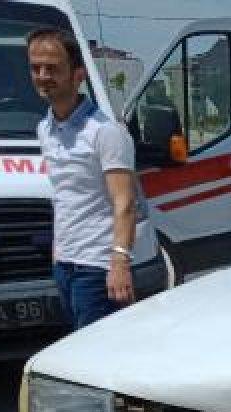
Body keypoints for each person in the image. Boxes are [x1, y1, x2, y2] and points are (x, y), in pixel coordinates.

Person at [28, 28, 137, 330]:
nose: (43, 75)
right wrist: (57, 254)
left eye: (52, 68)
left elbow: (124, 202)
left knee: (98, 356)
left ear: (78, 74)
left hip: (98, 267)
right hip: (65, 263)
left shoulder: (105, 132)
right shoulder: (45, 128)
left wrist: (119, 262)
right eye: (36, 67)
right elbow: (65, 194)